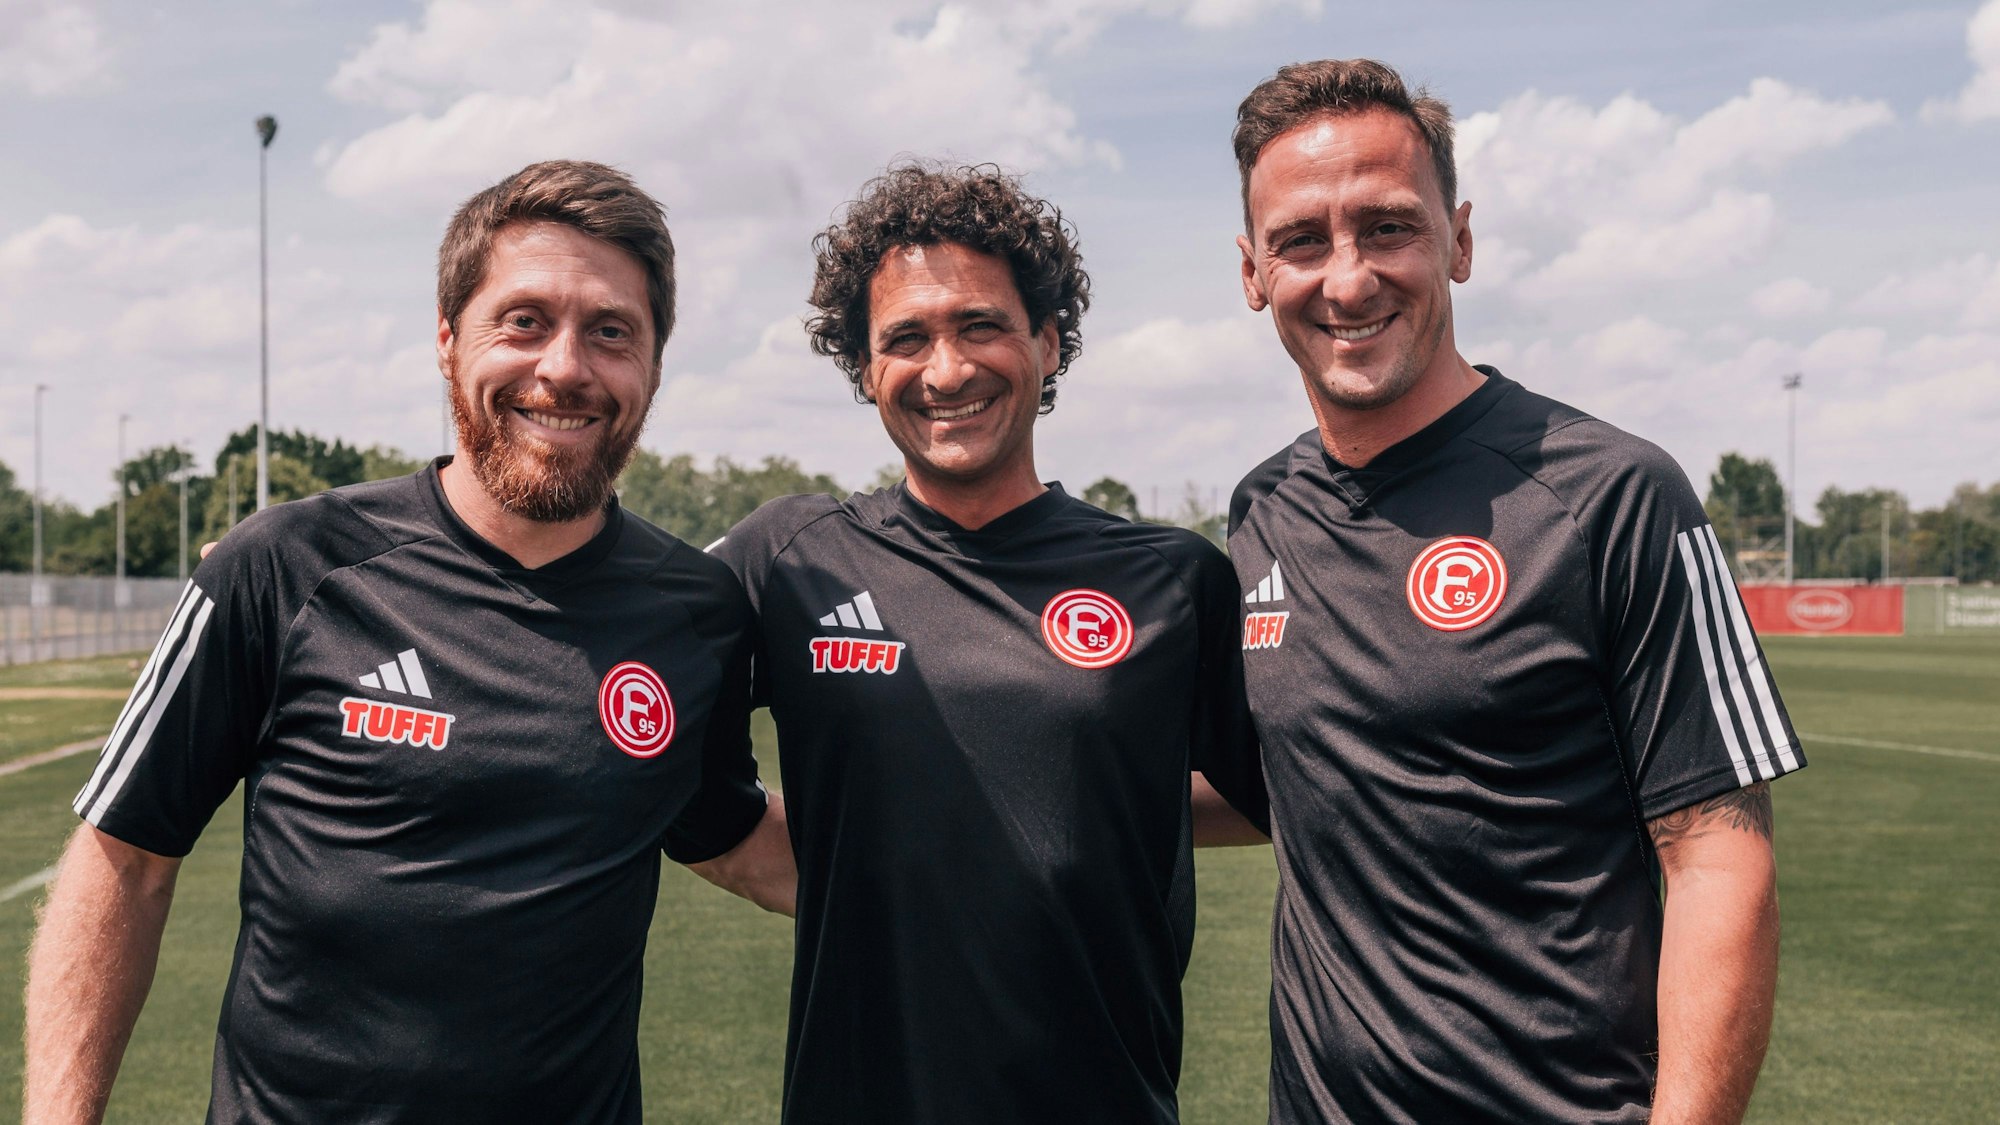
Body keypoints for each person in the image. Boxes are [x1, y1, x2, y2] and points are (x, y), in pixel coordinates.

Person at [23, 160, 794, 1125]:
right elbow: (126, 858)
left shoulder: (696, 612)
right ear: (446, 340)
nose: (565, 367)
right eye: (524, 321)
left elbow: (731, 836)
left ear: (653, 365)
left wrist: (964, 872)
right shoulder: (285, 567)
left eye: (611, 331)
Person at [1224, 60, 1803, 1123]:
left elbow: (1719, 860)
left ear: (1459, 241)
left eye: (1388, 228)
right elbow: (1284, 775)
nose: (1347, 279)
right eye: (1301, 239)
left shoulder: (1613, 494)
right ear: (1253, 271)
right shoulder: (1260, 509)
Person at [707, 162, 1267, 1125]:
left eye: (980, 325)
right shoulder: (791, 558)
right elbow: (637, 709)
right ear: (865, 368)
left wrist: (1101, 810)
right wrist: (808, 858)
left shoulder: (1174, 579)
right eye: (906, 339)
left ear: (1047, 340)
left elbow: (1290, 794)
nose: (947, 370)